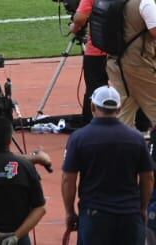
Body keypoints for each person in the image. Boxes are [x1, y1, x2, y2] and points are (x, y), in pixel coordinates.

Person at [61, 85, 153, 245]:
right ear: (119, 109)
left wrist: (69, 212)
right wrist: (143, 208)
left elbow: (68, 179)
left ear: (92, 107)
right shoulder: (136, 138)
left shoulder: (79, 138)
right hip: (129, 214)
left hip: (94, 215)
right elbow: (148, 178)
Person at [70, 0, 126, 122]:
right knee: (127, 89)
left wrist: (74, 27)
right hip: (124, 50)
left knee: (94, 89)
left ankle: (91, 124)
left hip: (96, 51)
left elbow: (80, 19)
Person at [105, 0, 156, 128]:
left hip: (115, 64)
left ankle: (117, 143)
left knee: (124, 112)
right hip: (138, 65)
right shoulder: (145, 1)